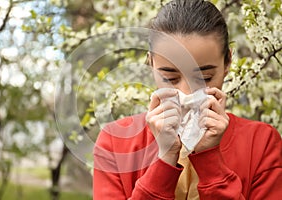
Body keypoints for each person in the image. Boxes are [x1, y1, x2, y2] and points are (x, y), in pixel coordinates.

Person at [93, 0, 282, 199]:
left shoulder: (261, 143)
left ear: (228, 62)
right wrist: (164, 159)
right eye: (170, 78)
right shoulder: (114, 142)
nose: (187, 92)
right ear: (150, 63)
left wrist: (210, 160)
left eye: (204, 78)